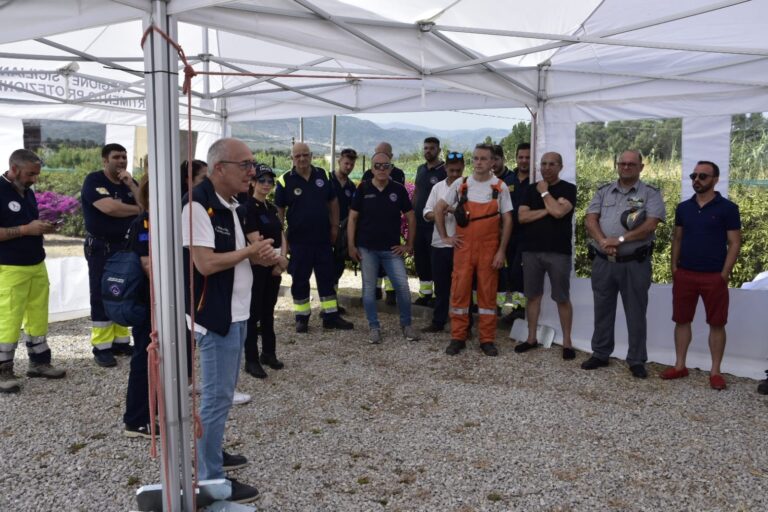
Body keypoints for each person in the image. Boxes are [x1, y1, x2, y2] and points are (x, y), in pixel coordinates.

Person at [182, 138, 277, 503]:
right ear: (219, 168)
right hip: (217, 316)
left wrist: (261, 257)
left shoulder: (231, 205)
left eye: (252, 164)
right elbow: (205, 263)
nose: (252, 172)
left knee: (220, 397)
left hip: (236, 313)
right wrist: (251, 251)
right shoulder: (196, 207)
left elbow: (235, 256)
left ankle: (213, 454)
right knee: (217, 398)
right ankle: (210, 478)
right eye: (245, 165)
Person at [583, 150, 666, 378]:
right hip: (603, 262)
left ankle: (637, 360)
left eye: (632, 164)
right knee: (602, 310)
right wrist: (602, 241)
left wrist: (619, 240)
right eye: (623, 163)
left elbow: (650, 224)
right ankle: (600, 353)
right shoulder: (603, 191)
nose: (626, 167)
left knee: (636, 312)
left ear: (641, 167)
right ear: (617, 166)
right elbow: (590, 219)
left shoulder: (650, 193)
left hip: (634, 263)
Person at [662, 161, 741, 390]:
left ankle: (715, 372)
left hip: (714, 276)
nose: (697, 180)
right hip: (685, 273)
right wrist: (674, 268)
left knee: (717, 323)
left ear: (716, 180)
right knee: (681, 320)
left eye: (703, 176)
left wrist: (724, 273)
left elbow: (734, 242)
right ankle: (680, 366)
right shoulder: (683, 207)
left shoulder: (728, 208)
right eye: (694, 175)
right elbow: (677, 238)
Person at [435, 144, 513, 357]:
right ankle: (458, 337)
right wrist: (445, 237)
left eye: (484, 159)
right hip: (463, 248)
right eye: (476, 158)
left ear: (492, 162)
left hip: (489, 249)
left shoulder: (500, 187)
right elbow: (438, 208)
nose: (479, 162)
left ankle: (487, 339)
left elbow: (507, 220)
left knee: (488, 295)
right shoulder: (462, 184)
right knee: (459, 292)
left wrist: (501, 251)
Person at [0, 149, 66, 394]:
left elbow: (25, 224)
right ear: (14, 168)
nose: (35, 179)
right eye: (31, 174)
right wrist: (27, 229)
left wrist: (41, 227)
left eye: (37, 174)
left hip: (36, 263)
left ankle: (39, 362)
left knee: (38, 315)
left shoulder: (26, 192)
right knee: (8, 319)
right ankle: (3, 370)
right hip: (9, 267)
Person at [275, 142, 353, 333]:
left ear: (311, 156)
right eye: (297, 156)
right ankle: (302, 318)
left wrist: (335, 227)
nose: (301, 158)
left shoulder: (323, 175)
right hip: (299, 241)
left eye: (305, 155)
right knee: (300, 279)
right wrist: (282, 239)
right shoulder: (284, 180)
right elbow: (279, 211)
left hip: (323, 239)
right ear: (292, 158)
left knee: (327, 278)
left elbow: (333, 201)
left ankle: (330, 316)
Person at [348, 151, 418, 344]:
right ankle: (374, 327)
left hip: (391, 250)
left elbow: (411, 217)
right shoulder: (362, 188)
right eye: (377, 165)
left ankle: (406, 324)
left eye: (385, 165)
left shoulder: (399, 189)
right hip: (367, 249)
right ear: (371, 168)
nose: (381, 169)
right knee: (369, 290)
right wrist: (351, 245)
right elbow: (353, 218)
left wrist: (409, 244)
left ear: (391, 168)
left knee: (403, 288)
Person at [81, 143, 141, 367]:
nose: (122, 161)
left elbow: (144, 201)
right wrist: (137, 209)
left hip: (125, 247)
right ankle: (102, 347)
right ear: (105, 160)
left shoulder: (128, 181)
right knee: (101, 293)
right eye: (117, 157)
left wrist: (130, 185)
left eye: (124, 157)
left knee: (123, 291)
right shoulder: (94, 181)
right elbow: (110, 208)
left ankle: (121, 342)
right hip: (101, 248)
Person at [513, 152, 577, 360]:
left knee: (562, 297)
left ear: (560, 166)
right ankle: (531, 338)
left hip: (558, 252)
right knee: (533, 296)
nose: (546, 167)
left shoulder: (569, 189)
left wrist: (543, 195)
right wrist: (548, 208)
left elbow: (560, 213)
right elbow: (522, 217)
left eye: (551, 164)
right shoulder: (530, 189)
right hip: (531, 251)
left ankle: (567, 342)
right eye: (543, 164)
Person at [242, 164, 288, 379]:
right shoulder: (247, 207)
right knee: (253, 315)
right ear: (253, 182)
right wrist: (277, 259)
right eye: (262, 180)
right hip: (257, 268)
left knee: (268, 312)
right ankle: (251, 359)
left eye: (270, 181)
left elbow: (281, 234)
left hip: (273, 269)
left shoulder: (270, 208)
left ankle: (268, 353)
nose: (267, 184)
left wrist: (282, 261)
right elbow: (255, 240)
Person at [421, 151, 465, 333]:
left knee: (462, 288)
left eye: (458, 171)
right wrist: (439, 212)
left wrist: (453, 210)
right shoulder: (437, 187)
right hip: (439, 244)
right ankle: (438, 321)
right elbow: (427, 212)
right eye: (451, 170)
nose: (455, 174)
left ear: (463, 168)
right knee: (441, 287)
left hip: (459, 244)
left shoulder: (466, 186)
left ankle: (463, 324)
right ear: (446, 168)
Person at [123, 174, 152, 436]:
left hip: (157, 301)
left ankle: (152, 410)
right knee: (144, 356)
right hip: (147, 301)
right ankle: (135, 419)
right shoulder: (144, 223)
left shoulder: (161, 221)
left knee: (156, 357)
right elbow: (147, 265)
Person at [362, 142, 406, 305]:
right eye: (377, 153)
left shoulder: (399, 174)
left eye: (384, 154)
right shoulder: (367, 174)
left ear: (391, 157)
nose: (380, 159)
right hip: (371, 228)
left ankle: (391, 292)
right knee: (373, 263)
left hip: (391, 228)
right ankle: (375, 290)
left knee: (390, 261)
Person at [412, 137, 446, 306]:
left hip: (435, 225)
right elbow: (417, 192)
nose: (428, 151)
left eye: (432, 148)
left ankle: (439, 296)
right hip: (419, 223)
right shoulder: (420, 169)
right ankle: (425, 294)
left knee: (436, 261)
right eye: (426, 148)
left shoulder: (444, 170)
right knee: (421, 259)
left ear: (439, 150)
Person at [500, 142, 531, 325]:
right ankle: (517, 309)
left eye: (527, 157)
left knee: (520, 273)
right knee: (511, 272)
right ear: (516, 158)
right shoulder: (508, 181)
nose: (524, 161)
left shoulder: (536, 180)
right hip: (508, 235)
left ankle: (523, 311)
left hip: (527, 236)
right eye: (521, 157)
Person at [330, 148, 358, 303]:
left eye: (352, 164)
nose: (349, 167)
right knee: (327, 268)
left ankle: (332, 302)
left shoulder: (352, 187)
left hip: (343, 234)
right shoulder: (327, 181)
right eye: (346, 163)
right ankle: (327, 305)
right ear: (339, 161)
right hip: (327, 231)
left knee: (338, 268)